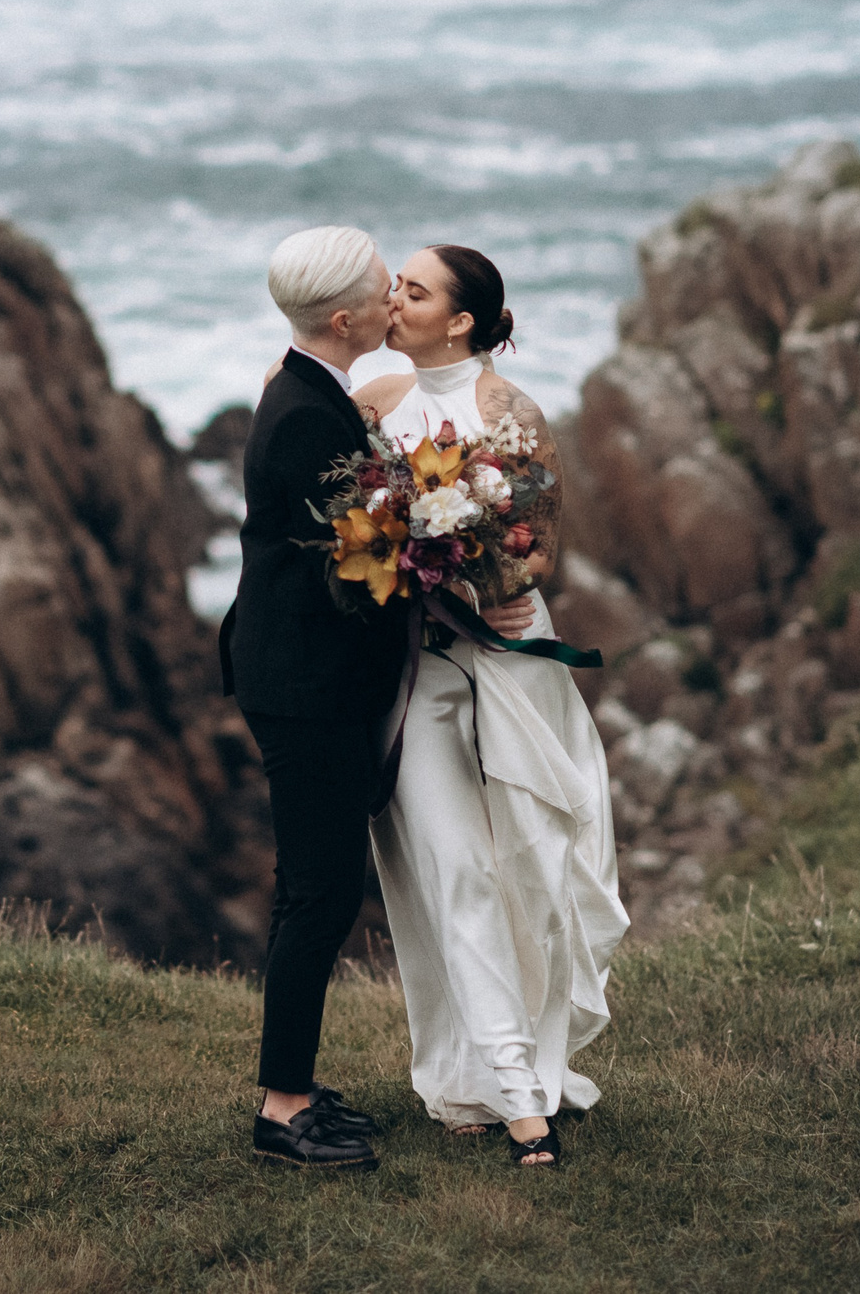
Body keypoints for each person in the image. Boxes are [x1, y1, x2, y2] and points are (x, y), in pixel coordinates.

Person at [352, 245, 628, 1170]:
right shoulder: (376, 403)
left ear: (461, 319)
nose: (396, 299)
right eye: (396, 285)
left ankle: (506, 1066)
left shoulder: (510, 413)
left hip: (505, 657)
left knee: (524, 861)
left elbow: (537, 544)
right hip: (412, 665)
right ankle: (508, 1095)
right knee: (451, 865)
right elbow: (332, 498)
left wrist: (489, 573)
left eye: (414, 290)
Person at [219, 225, 410, 1170]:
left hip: (299, 673)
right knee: (317, 894)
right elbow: (362, 561)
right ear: (347, 319)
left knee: (322, 890)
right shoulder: (303, 414)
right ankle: (282, 1109)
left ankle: (291, 1084)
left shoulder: (306, 391)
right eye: (386, 289)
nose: (396, 298)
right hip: (304, 685)